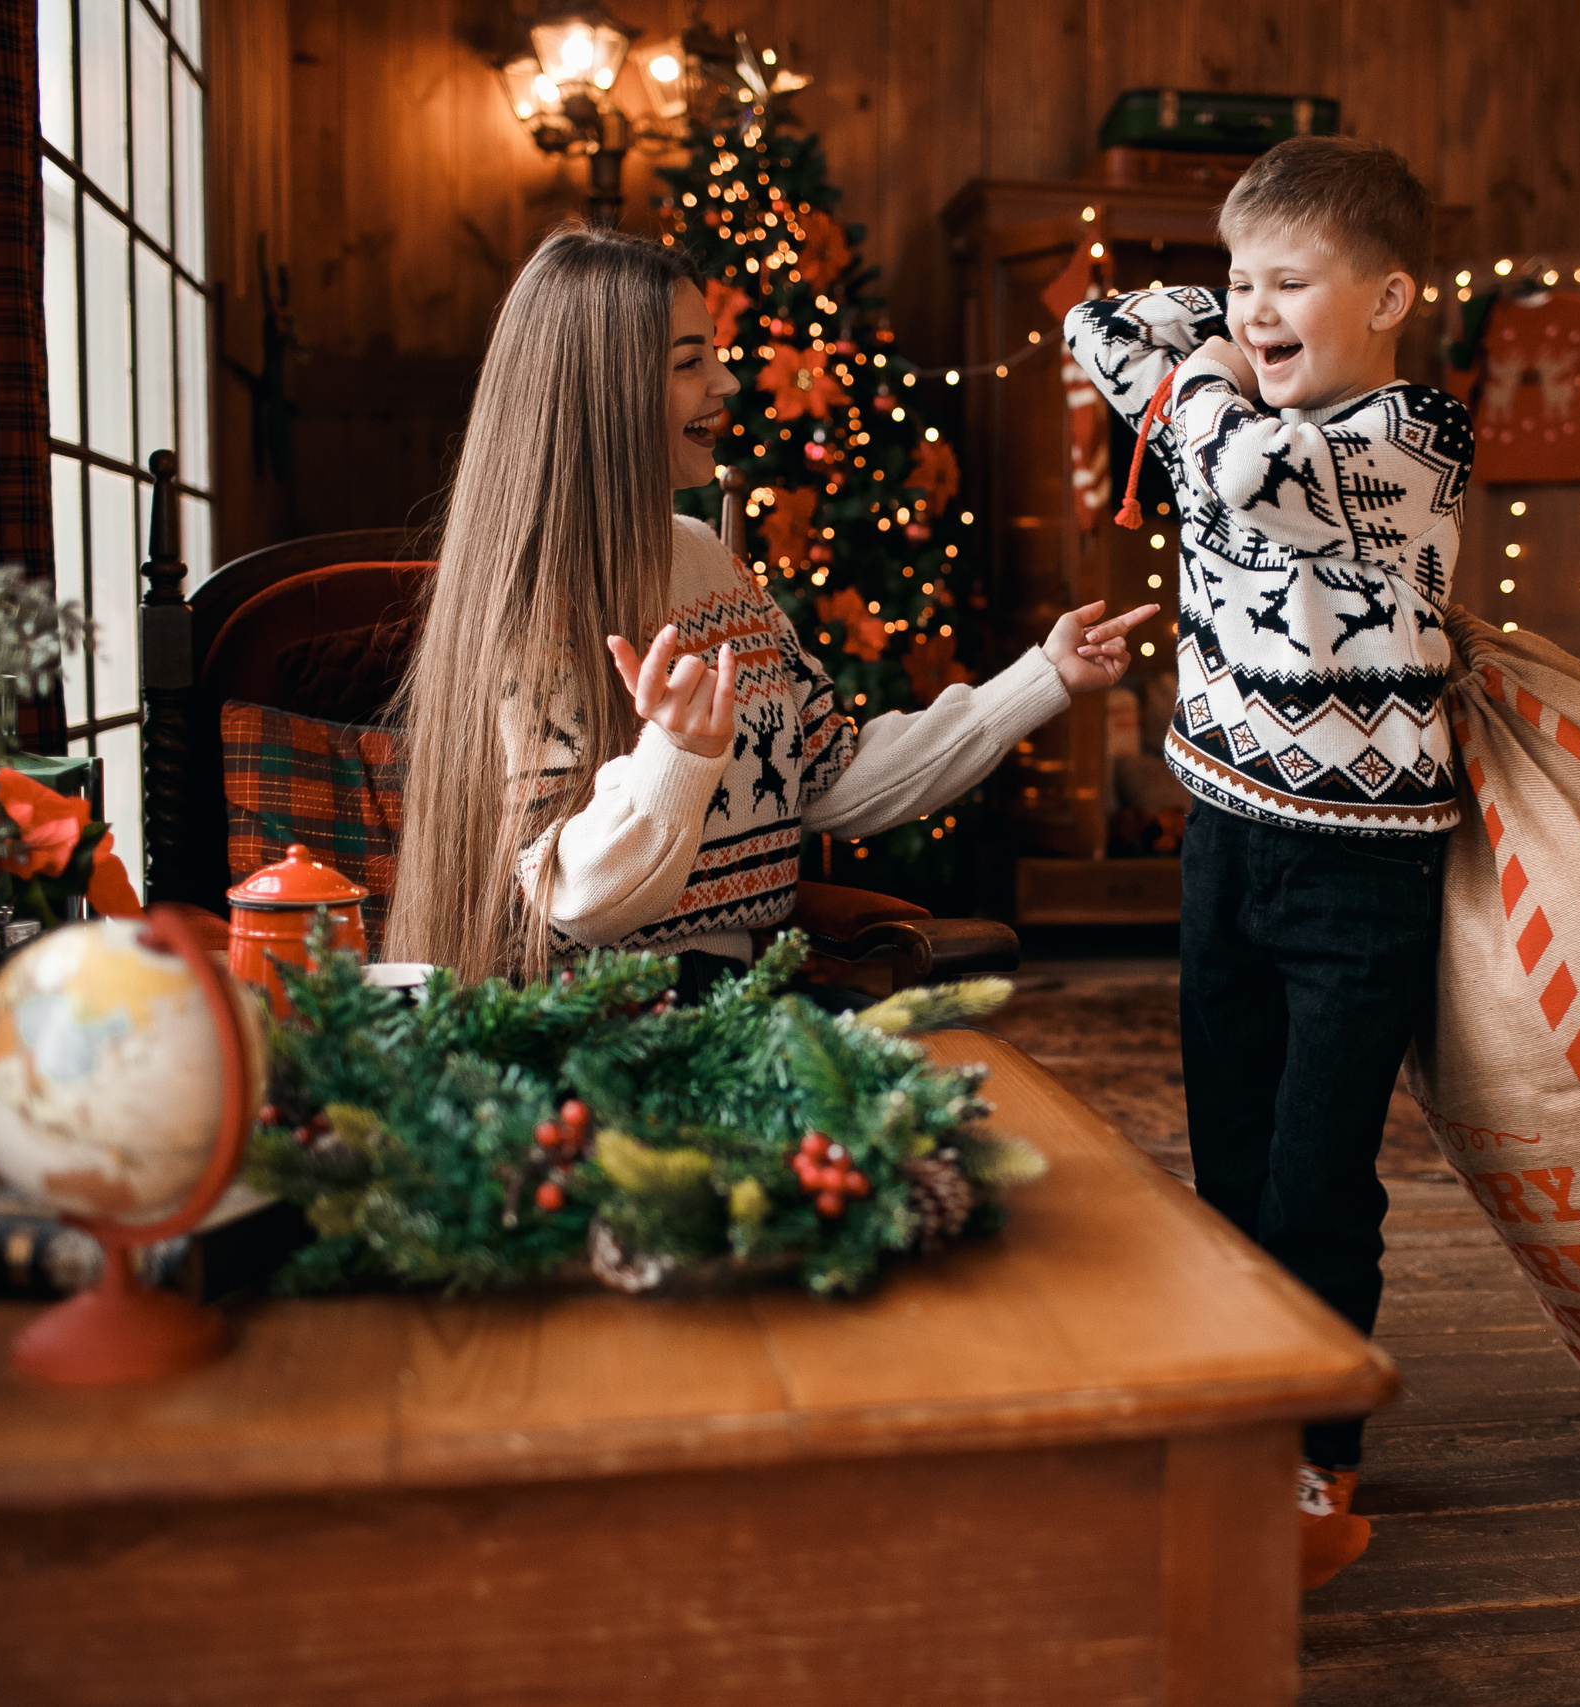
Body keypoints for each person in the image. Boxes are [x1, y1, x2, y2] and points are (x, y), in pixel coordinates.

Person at [1062, 137, 1475, 1589]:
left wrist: (1207, 360)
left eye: (1292, 283)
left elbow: (1242, 472)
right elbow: (1092, 327)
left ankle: (1316, 1455)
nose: (1254, 309)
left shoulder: (1412, 434)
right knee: (1229, 1159)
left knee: (1314, 1180)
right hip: (1226, 838)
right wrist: (1224, 311)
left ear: (1392, 298)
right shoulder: (1233, 371)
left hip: (1360, 867)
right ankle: (1233, 1410)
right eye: (1241, 279)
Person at [390, 226, 1154, 985]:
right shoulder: (533, 613)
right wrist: (678, 754)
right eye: (689, 362)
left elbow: (831, 775)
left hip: (740, 997)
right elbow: (576, 900)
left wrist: (1040, 678)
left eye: (713, 354)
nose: (725, 382)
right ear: (604, 391)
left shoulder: (709, 562)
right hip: (591, 1017)